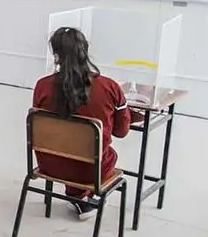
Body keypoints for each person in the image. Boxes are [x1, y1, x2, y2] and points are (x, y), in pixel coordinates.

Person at [33, 27, 133, 220]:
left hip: (50, 165)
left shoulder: (42, 86)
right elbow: (121, 131)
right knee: (105, 155)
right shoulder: (110, 86)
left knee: (71, 148)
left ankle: (78, 196)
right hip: (92, 172)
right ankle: (80, 195)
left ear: (56, 55)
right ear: (85, 50)